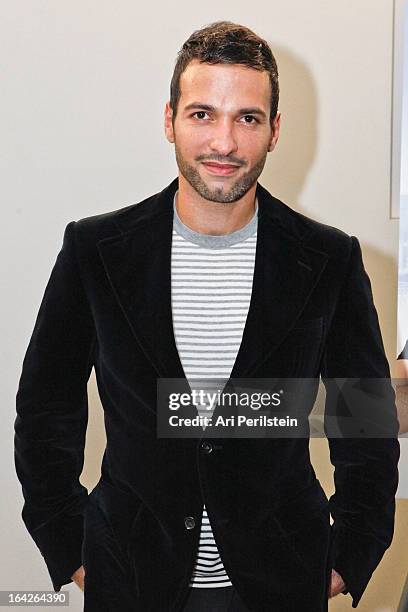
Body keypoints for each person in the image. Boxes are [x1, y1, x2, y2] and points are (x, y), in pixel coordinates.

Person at [14, 20, 400, 612]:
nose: (224, 142)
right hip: (132, 577)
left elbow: (364, 425)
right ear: (169, 119)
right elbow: (45, 411)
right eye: (202, 114)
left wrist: (349, 555)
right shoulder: (95, 251)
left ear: (274, 130)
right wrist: (70, 546)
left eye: (246, 118)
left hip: (281, 581)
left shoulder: (329, 260)